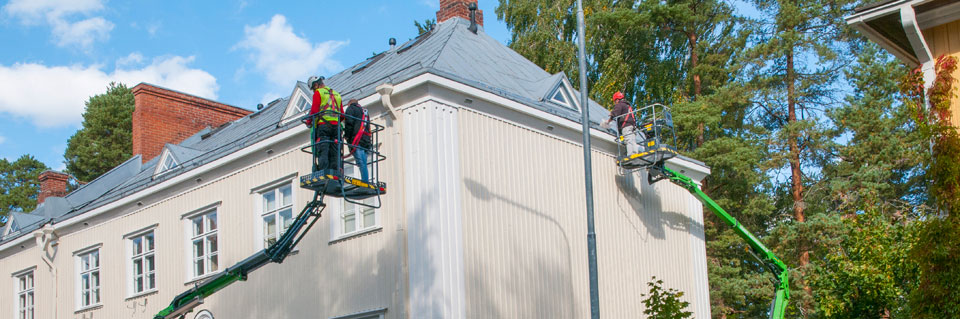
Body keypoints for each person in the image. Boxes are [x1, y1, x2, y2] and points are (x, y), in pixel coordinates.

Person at [306, 76, 343, 173]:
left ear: (315, 85)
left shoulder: (319, 93)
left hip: (324, 125)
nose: (314, 91)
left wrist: (309, 122)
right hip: (336, 127)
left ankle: (324, 172)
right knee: (335, 150)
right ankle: (335, 172)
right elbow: (342, 114)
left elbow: (314, 110)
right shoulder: (336, 94)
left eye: (313, 89)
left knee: (323, 150)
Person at [342, 99, 373, 183]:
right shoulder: (365, 112)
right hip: (366, 140)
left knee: (361, 162)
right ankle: (365, 179)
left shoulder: (350, 109)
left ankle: (365, 181)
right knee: (364, 163)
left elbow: (349, 124)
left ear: (349, 104)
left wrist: (347, 136)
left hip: (357, 140)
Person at [603, 91, 639, 156]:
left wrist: (607, 121)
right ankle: (635, 154)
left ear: (617, 99)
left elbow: (615, 113)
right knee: (632, 140)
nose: (615, 103)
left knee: (628, 140)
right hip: (632, 126)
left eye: (615, 101)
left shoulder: (619, 105)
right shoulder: (627, 105)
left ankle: (631, 155)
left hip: (626, 126)